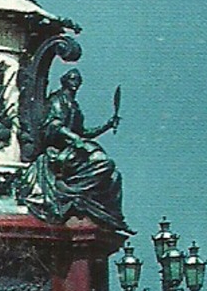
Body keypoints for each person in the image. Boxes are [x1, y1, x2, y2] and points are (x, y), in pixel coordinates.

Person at [17, 69, 130, 233]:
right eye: (72, 79)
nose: (76, 82)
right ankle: (73, 192)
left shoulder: (73, 104)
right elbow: (53, 125)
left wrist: (106, 125)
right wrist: (75, 140)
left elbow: (82, 132)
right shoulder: (57, 100)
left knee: (112, 174)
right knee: (105, 164)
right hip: (59, 152)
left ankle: (76, 193)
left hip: (72, 150)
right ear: (65, 81)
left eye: (78, 80)